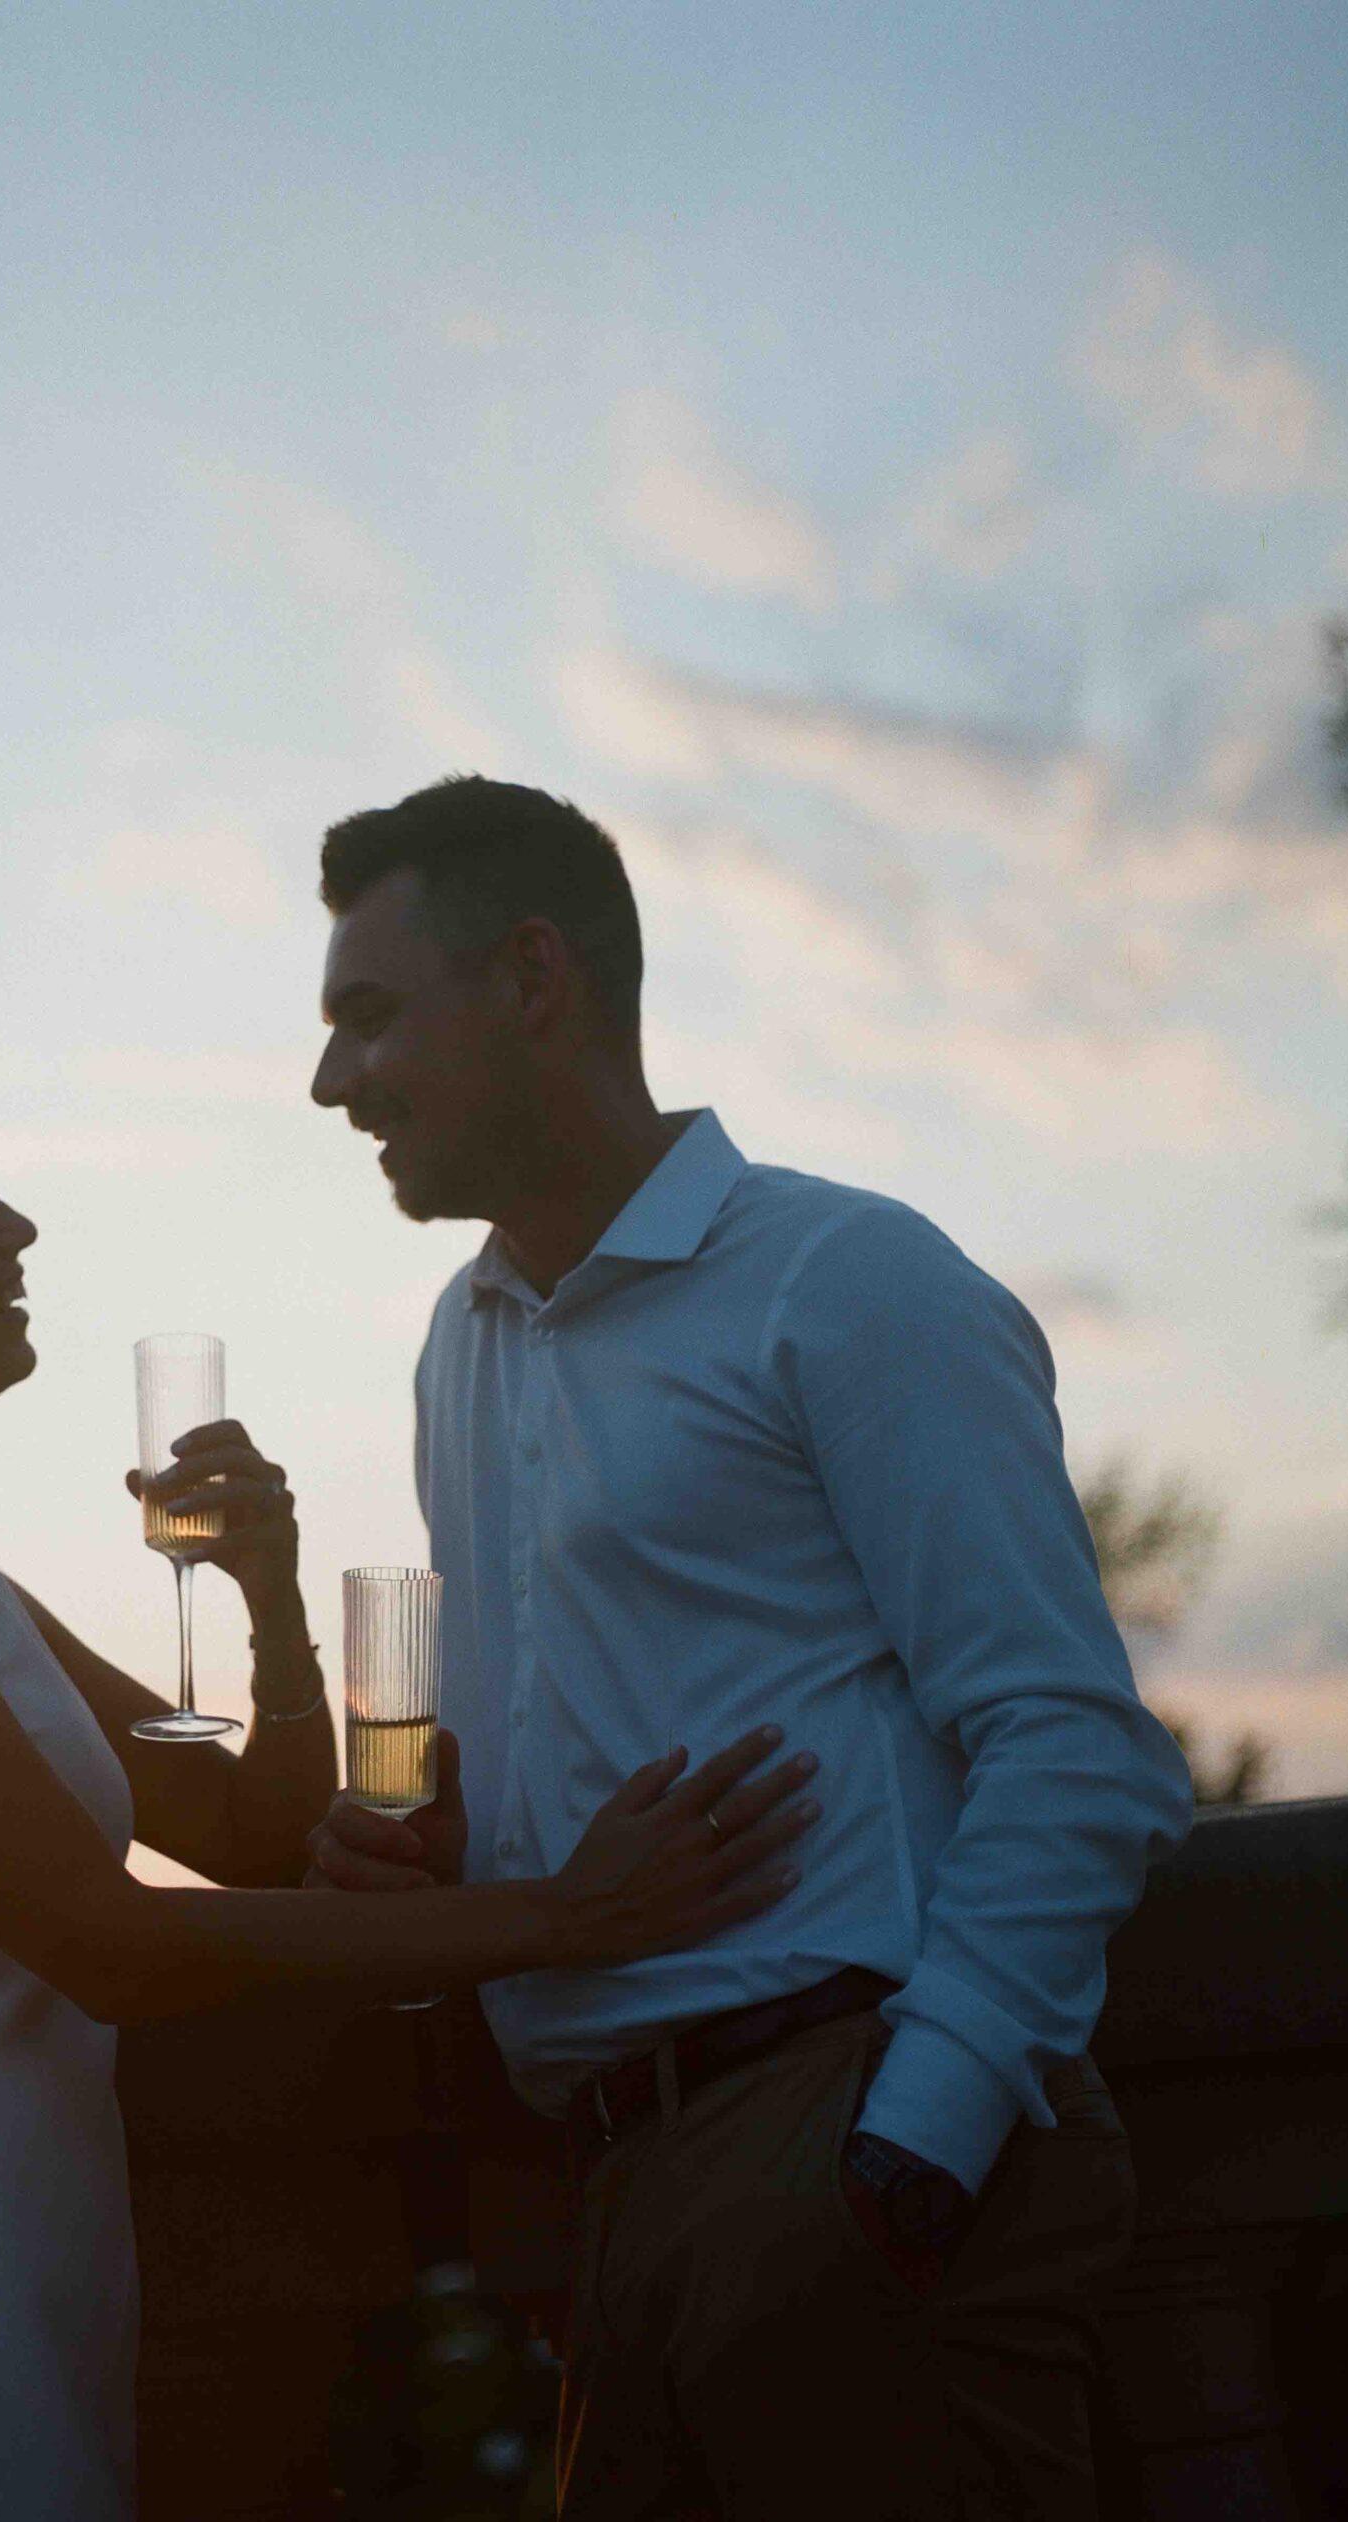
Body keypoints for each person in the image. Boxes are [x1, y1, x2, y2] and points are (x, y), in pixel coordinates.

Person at [0, 1058, 821, 2522]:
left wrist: (270, 1597)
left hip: (11, 2262)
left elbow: (250, 1833)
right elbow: (105, 1943)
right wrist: (564, 1916)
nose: (23, 1233)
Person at [302, 779, 1196, 2521]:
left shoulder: (850, 1278)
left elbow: (1077, 1743)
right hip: (614, 2210)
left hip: (839, 2155)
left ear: (534, 978)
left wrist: (907, 2152)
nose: (335, 1083)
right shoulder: (457, 1343)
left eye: (370, 1014)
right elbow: (564, 1737)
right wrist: (430, 1852)